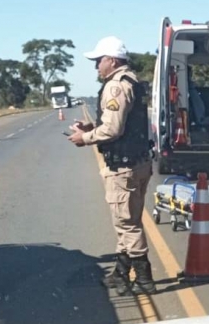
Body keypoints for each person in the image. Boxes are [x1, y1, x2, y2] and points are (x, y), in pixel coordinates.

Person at [67, 36, 156, 296]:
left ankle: (143, 277)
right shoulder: (134, 81)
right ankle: (120, 273)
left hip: (123, 166)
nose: (96, 67)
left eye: (99, 61)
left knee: (127, 224)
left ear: (112, 60)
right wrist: (92, 128)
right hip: (139, 162)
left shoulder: (115, 86)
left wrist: (85, 138)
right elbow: (122, 124)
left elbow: (114, 129)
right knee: (126, 221)